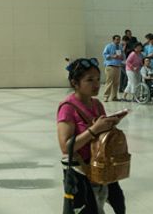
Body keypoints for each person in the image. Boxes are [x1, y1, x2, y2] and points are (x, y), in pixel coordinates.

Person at [57, 58, 130, 212]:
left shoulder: (97, 104)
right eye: (89, 80)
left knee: (118, 202)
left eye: (98, 79)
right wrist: (93, 130)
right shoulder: (68, 108)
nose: (96, 84)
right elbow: (65, 147)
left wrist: (110, 123)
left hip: (101, 165)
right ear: (75, 83)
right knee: (88, 208)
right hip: (81, 170)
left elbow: (100, 134)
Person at [101, 35, 124, 102]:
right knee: (109, 82)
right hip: (110, 66)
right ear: (113, 40)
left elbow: (123, 55)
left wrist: (121, 57)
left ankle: (114, 97)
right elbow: (104, 54)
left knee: (116, 82)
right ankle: (106, 96)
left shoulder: (120, 47)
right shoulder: (108, 46)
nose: (118, 41)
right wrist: (112, 56)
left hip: (118, 66)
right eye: (117, 39)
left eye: (119, 39)